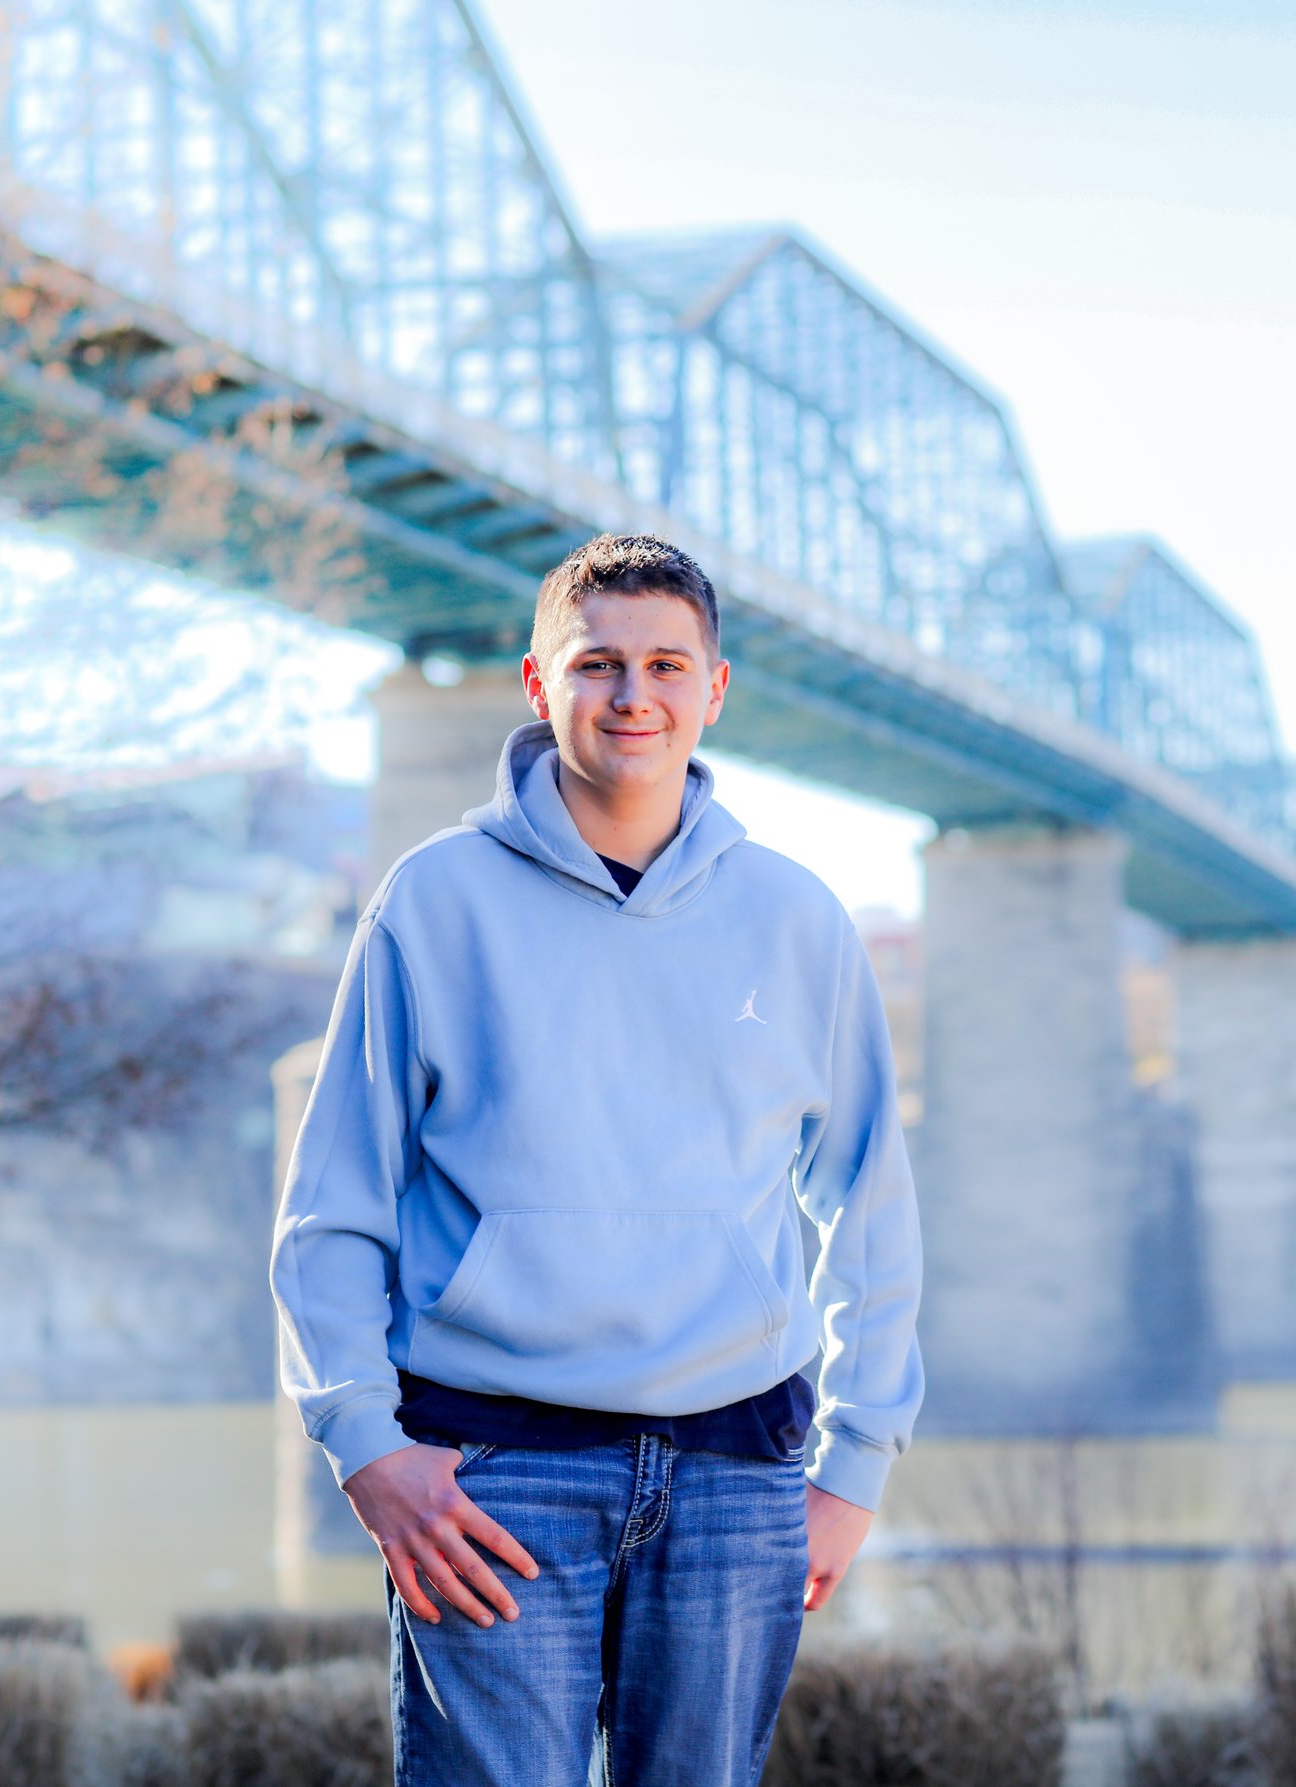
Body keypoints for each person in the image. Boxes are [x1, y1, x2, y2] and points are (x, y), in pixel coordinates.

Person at [271, 532, 925, 1786]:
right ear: (538, 683)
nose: (634, 695)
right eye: (599, 663)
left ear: (714, 691)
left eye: (668, 664)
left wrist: (856, 1463)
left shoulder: (796, 918)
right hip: (494, 1474)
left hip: (737, 1472)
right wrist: (364, 1442)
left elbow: (870, 1201)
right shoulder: (433, 902)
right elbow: (332, 1205)